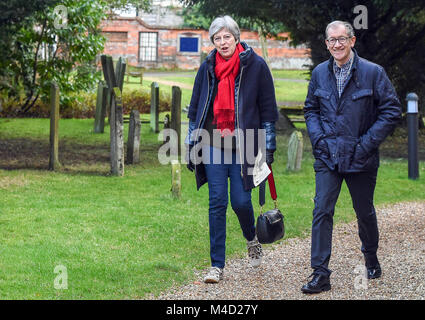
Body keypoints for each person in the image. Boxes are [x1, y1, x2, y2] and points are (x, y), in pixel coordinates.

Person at [302, 21, 401, 294]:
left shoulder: (372, 73)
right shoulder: (320, 73)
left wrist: (366, 144)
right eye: (331, 40)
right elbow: (310, 109)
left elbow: (392, 111)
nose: (336, 44)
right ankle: (320, 273)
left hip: (361, 157)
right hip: (327, 156)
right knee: (322, 209)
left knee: (364, 211)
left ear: (352, 41)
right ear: (326, 43)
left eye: (342, 39)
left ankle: (370, 256)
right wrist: (319, 140)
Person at [185, 15, 279, 283]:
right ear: (213, 42)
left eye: (227, 37)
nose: (223, 42)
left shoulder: (256, 66)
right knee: (217, 202)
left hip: (245, 144)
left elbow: (268, 110)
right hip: (213, 144)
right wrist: (191, 143)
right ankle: (216, 265)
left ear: (236, 37)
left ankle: (251, 238)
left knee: (240, 201)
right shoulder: (207, 67)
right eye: (217, 38)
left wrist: (268, 147)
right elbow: (195, 108)